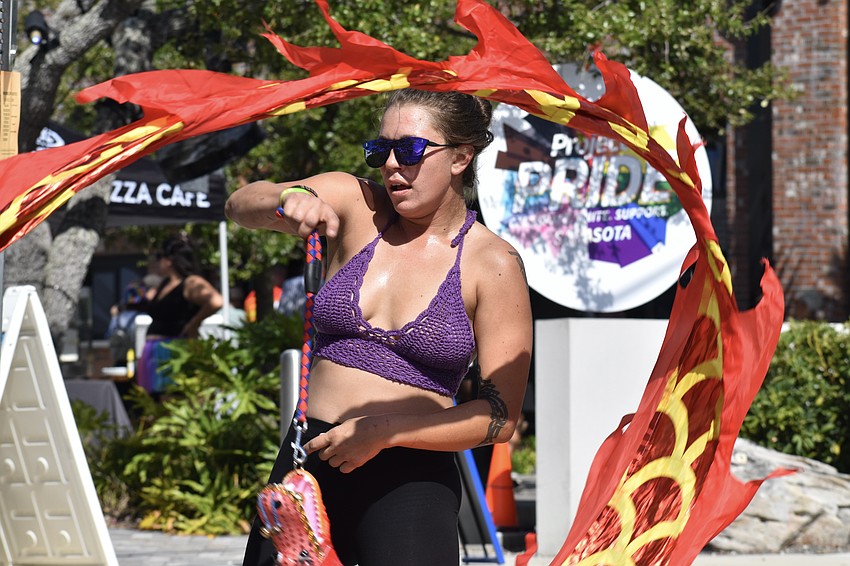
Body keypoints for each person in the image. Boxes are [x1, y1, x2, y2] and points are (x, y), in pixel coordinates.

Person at [226, 89, 533, 566]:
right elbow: (242, 203)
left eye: (409, 150)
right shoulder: (356, 206)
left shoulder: (491, 262)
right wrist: (290, 198)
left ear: (460, 157)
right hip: (308, 463)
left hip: (408, 482)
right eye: (379, 150)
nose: (391, 164)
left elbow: (499, 417)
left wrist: (386, 431)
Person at [136, 235, 224, 397]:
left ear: (169, 260)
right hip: (154, 352)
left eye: (159, 257)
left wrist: (194, 324)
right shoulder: (164, 283)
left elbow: (216, 301)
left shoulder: (190, 282)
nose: (157, 262)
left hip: (175, 351)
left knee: (174, 398)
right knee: (154, 404)